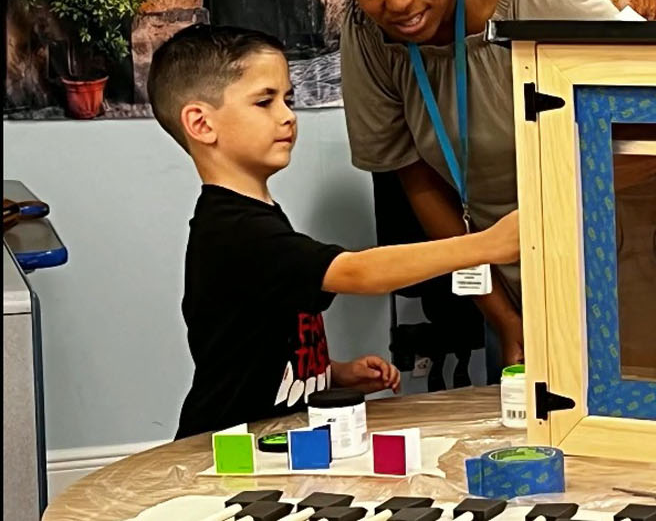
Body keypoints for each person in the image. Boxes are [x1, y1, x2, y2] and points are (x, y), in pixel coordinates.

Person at [306, 0, 622, 367]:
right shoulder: (367, 38)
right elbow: (417, 179)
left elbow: (644, 128)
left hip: (619, 257)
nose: (398, 2)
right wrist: (506, 320)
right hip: (510, 279)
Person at [149, 25, 521, 438]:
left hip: (271, 438)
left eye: (287, 99)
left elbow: (260, 346)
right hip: (225, 448)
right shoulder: (233, 231)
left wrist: (331, 374)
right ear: (201, 123)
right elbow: (357, 272)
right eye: (264, 102)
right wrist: (486, 244)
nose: (288, 115)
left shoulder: (256, 216)